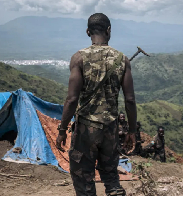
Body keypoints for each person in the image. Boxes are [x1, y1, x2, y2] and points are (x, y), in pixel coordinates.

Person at [55, 13, 137, 196]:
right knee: (111, 176)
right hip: (110, 129)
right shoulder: (122, 59)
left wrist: (62, 130)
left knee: (84, 180)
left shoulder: (79, 58)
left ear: (87, 32)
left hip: (85, 129)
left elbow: (71, 99)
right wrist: (132, 131)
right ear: (109, 31)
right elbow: (130, 100)